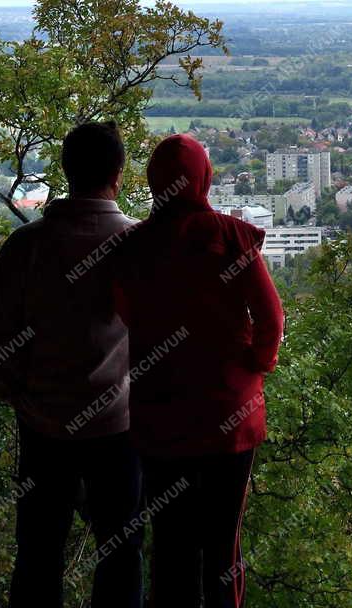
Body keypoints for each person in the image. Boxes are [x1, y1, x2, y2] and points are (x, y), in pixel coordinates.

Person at [113, 134, 284, 608]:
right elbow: (271, 317)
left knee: (171, 541)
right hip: (229, 411)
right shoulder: (231, 237)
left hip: (160, 412)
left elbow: (125, 312)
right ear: (204, 177)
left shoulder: (132, 246)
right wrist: (255, 365)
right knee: (222, 542)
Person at [0, 121, 143, 607]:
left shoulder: (24, 248)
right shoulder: (139, 246)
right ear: (118, 173)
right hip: (119, 430)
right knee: (120, 557)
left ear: (65, 170)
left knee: (37, 554)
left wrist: (25, 399)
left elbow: (0, 348)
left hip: (42, 428)